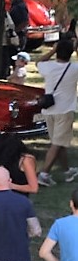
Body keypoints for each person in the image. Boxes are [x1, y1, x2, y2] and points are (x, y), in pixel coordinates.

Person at [37, 40, 78, 187]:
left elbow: (39, 62)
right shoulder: (74, 69)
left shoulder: (48, 67)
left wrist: (52, 51)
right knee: (57, 144)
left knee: (59, 142)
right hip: (65, 110)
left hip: (49, 110)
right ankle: (44, 174)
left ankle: (67, 171)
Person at [0, 132, 40, 196]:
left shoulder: (26, 160)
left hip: (19, 197)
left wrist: (11, 186)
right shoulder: (5, 160)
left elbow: (34, 188)